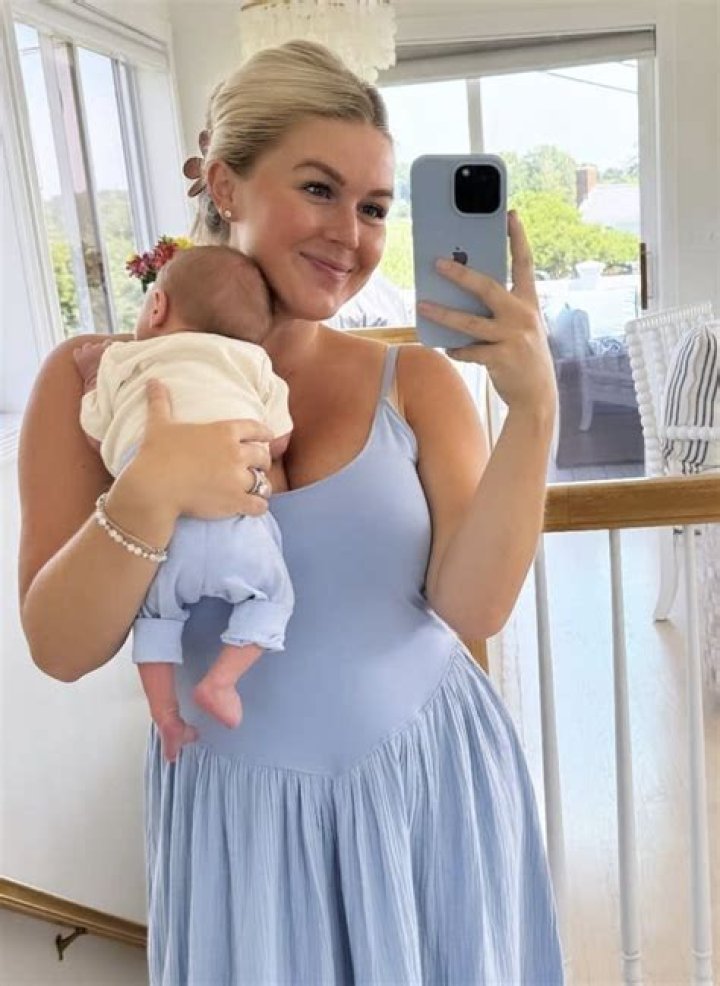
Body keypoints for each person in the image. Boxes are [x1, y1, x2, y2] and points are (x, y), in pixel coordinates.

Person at [19, 39, 564, 985]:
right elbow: (60, 647)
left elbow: (475, 607)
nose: (351, 234)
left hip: (426, 785)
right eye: (319, 188)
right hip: (242, 828)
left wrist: (535, 409)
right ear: (225, 185)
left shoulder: (417, 383)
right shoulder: (95, 380)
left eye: (375, 207)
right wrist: (150, 490)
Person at [73, 246, 294, 762]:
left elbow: (95, 433)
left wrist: (90, 375)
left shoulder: (122, 358)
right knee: (274, 598)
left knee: (154, 617)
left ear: (157, 306)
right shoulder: (253, 361)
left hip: (161, 531)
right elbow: (279, 438)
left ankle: (166, 715)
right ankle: (222, 681)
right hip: (238, 525)